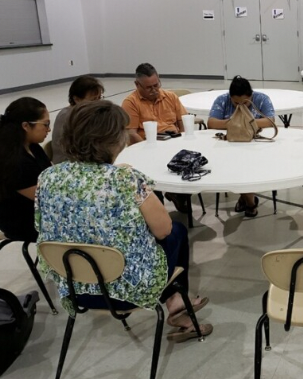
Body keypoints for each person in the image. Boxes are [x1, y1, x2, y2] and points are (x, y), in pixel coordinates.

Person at [36, 100, 212, 342]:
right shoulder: (125, 179)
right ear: (113, 139)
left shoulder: (47, 177)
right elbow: (163, 230)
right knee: (177, 231)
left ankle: (174, 301)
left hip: (73, 287)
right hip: (125, 291)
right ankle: (176, 300)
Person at [0, 97, 51, 242]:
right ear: (26, 126)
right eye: (45, 124)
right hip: (21, 222)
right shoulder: (14, 161)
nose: (49, 129)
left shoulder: (33, 147)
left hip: (35, 211)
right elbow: (45, 198)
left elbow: (51, 174)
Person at [121, 62, 189, 212]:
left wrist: (184, 141)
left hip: (173, 144)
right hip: (146, 148)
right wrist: (150, 148)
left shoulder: (170, 97)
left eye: (156, 85)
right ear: (137, 85)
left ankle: (177, 193)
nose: (154, 90)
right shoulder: (130, 103)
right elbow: (131, 133)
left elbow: (182, 121)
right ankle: (157, 202)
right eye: (148, 87)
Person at [208, 76, 275, 217]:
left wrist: (243, 122)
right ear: (230, 97)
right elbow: (212, 123)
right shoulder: (222, 100)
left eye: (245, 103)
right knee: (235, 166)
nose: (240, 106)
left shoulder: (261, 99)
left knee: (243, 167)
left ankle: (246, 198)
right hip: (229, 149)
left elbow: (270, 121)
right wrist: (235, 123)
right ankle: (250, 202)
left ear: (251, 96)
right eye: (235, 103)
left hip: (256, 149)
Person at [51, 75, 105, 164]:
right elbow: (85, 148)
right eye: (93, 100)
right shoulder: (66, 117)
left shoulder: (88, 113)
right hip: (67, 164)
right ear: (76, 99)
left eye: (99, 98)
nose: (98, 103)